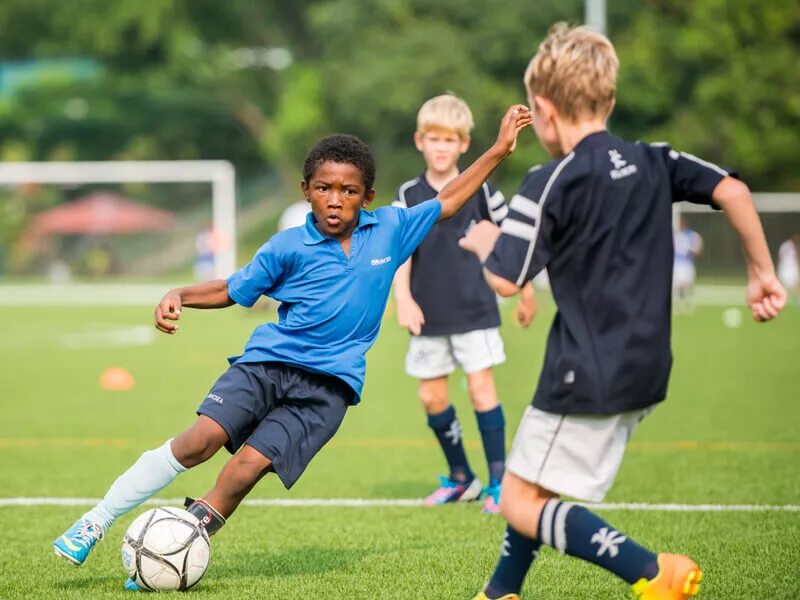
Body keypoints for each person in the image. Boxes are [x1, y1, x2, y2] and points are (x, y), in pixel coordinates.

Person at [52, 107, 533, 590]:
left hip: (328, 390)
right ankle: (96, 520)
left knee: (245, 470)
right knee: (200, 441)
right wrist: (179, 294)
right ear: (306, 190)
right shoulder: (286, 246)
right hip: (267, 365)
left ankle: (169, 552)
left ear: (367, 198)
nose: (334, 201)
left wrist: (497, 150)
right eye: (323, 188)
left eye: (348, 191)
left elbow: (448, 199)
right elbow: (233, 289)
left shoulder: (390, 228)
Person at [459, 23, 786, 600]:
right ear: (607, 99)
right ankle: (500, 591)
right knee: (535, 486)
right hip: (648, 366)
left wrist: (487, 242)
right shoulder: (655, 159)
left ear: (543, 108)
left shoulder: (549, 179)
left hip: (584, 367)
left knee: (516, 498)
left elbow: (505, 281)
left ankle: (651, 571)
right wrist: (761, 274)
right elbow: (733, 191)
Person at [392, 94, 536, 513]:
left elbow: (511, 245)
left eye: (449, 140)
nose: (440, 146)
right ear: (420, 141)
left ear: (464, 145)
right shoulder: (409, 193)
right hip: (428, 312)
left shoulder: (484, 189)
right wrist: (402, 297)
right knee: (432, 398)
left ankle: (498, 482)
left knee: (480, 388)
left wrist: (525, 292)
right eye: (433, 138)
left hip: (475, 310)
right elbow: (400, 251)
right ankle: (461, 478)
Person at [673, 216, 703, 311]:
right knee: (676, 285)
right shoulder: (674, 235)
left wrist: (692, 250)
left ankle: (687, 303)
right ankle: (676, 304)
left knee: (687, 284)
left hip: (687, 263)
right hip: (676, 263)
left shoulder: (693, 235)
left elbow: (697, 250)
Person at [777, 233, 799, 303]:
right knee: (784, 283)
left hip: (791, 266)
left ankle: (796, 296)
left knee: (796, 282)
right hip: (786, 266)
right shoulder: (787, 246)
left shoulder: (789, 246)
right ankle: (781, 297)